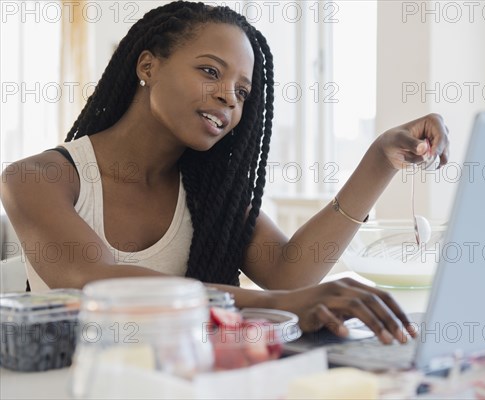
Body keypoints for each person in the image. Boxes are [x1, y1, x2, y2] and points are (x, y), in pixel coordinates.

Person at [1, 1, 449, 345]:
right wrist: (276, 306)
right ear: (147, 66)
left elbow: (290, 274)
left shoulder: (208, 192)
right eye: (209, 71)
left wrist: (379, 160)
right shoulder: (36, 178)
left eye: (242, 90)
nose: (228, 98)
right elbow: (94, 280)